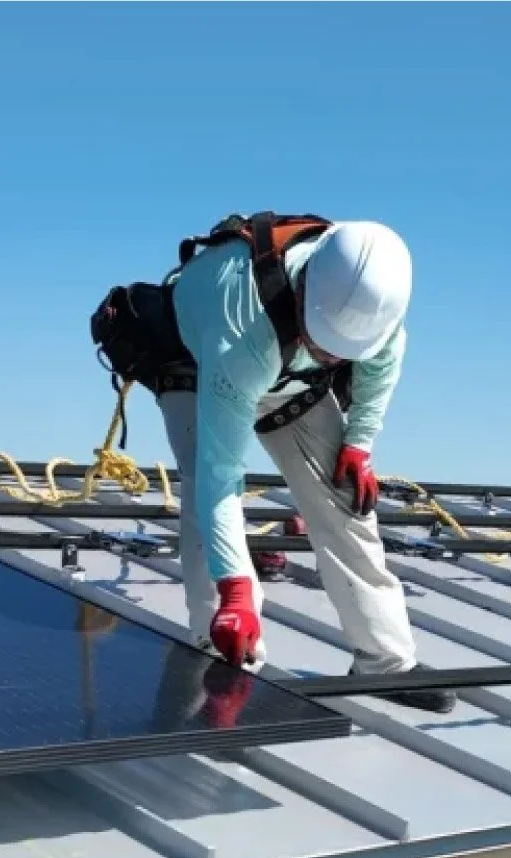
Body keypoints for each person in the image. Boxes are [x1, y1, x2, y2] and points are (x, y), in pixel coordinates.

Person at [89, 212, 453, 713]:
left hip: (288, 375)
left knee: (344, 499)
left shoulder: (375, 308)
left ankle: (384, 662)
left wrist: (359, 444)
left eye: (337, 351)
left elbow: (379, 369)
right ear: (305, 296)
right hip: (197, 363)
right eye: (323, 340)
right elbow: (222, 478)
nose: (330, 354)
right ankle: (224, 652)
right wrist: (237, 589)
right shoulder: (239, 329)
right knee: (203, 495)